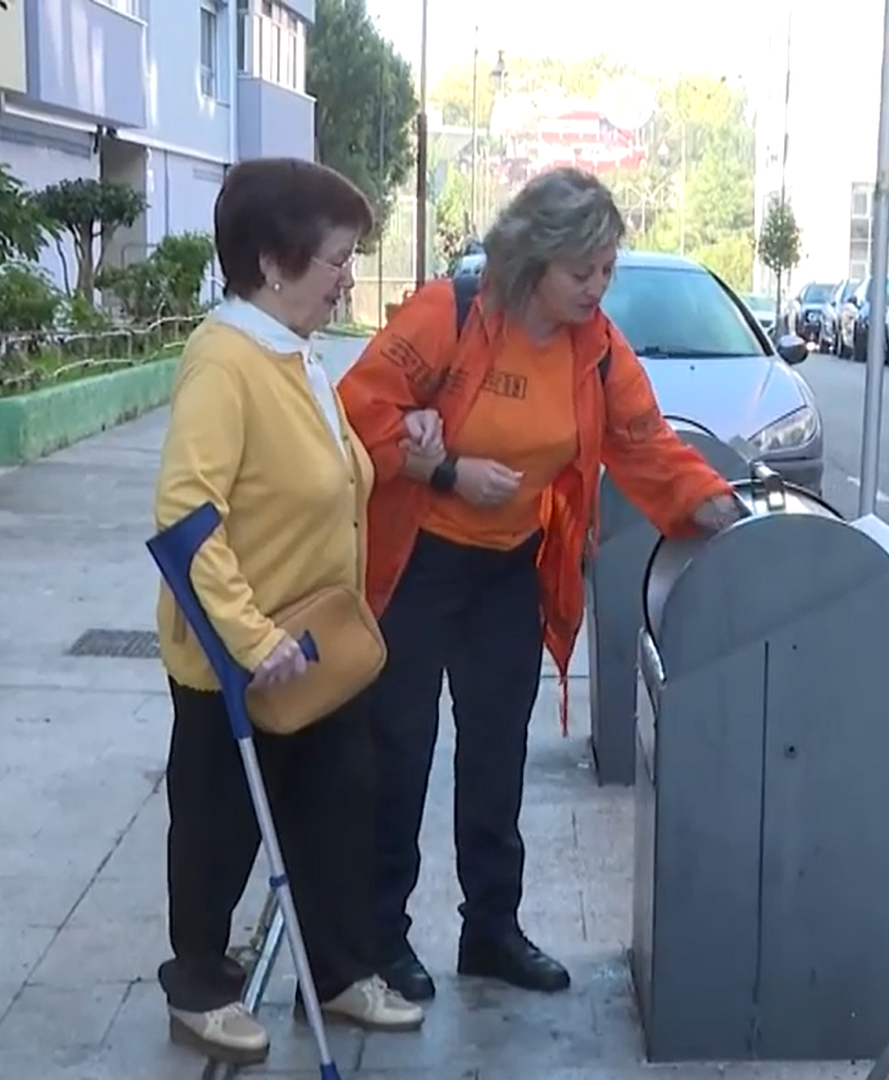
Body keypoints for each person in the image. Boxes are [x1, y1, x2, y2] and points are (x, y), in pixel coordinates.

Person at [337, 166, 744, 1004]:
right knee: (400, 752)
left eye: (606, 271)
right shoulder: (448, 315)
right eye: (581, 272)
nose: (598, 288)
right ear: (534, 260)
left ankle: (491, 930)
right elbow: (356, 412)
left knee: (496, 755)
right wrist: (446, 469)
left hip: (511, 570)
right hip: (418, 561)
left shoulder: (595, 348)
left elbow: (644, 443)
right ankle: (378, 938)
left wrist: (719, 508)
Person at [152, 157, 424, 1065]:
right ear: (273, 262)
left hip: (320, 646)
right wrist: (250, 638)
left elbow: (337, 474)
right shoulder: (224, 360)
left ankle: (338, 972)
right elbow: (187, 517)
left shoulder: (297, 352)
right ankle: (198, 985)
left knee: (339, 809)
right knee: (219, 829)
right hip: (242, 658)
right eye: (337, 258)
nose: (349, 275)